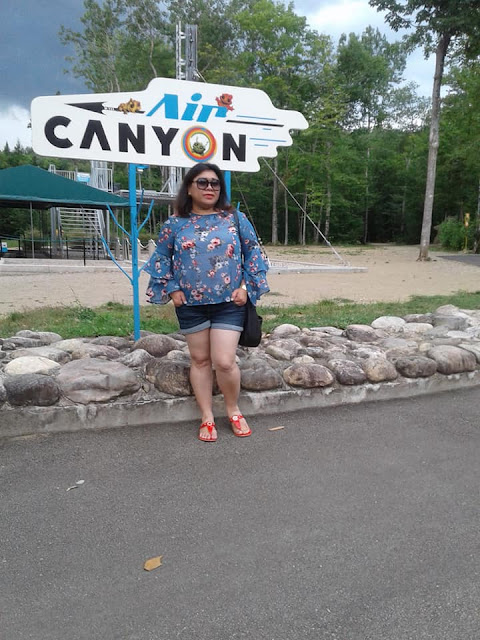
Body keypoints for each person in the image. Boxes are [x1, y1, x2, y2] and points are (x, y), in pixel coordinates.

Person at [145, 163, 269, 442]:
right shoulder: (175, 224)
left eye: (215, 183)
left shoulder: (234, 219)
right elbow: (161, 258)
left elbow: (253, 254)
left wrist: (246, 287)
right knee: (200, 360)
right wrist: (172, 289)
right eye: (202, 182)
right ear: (189, 188)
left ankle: (233, 410)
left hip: (229, 303)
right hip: (191, 304)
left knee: (224, 361)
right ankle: (207, 416)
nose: (209, 187)